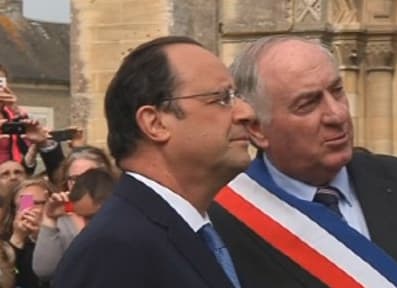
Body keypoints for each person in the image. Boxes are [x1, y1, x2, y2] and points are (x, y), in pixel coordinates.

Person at [209, 35, 397, 288]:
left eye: (337, 91)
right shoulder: (223, 221)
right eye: (308, 103)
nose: (337, 114)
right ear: (257, 129)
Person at [53, 36, 255, 288]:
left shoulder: (200, 231)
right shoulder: (115, 251)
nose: (247, 113)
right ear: (155, 123)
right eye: (222, 98)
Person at [32, 146, 114, 281]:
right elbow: (44, 270)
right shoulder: (60, 217)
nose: (81, 184)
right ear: (66, 181)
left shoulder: (119, 211)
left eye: (89, 177)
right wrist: (49, 219)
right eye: (74, 179)